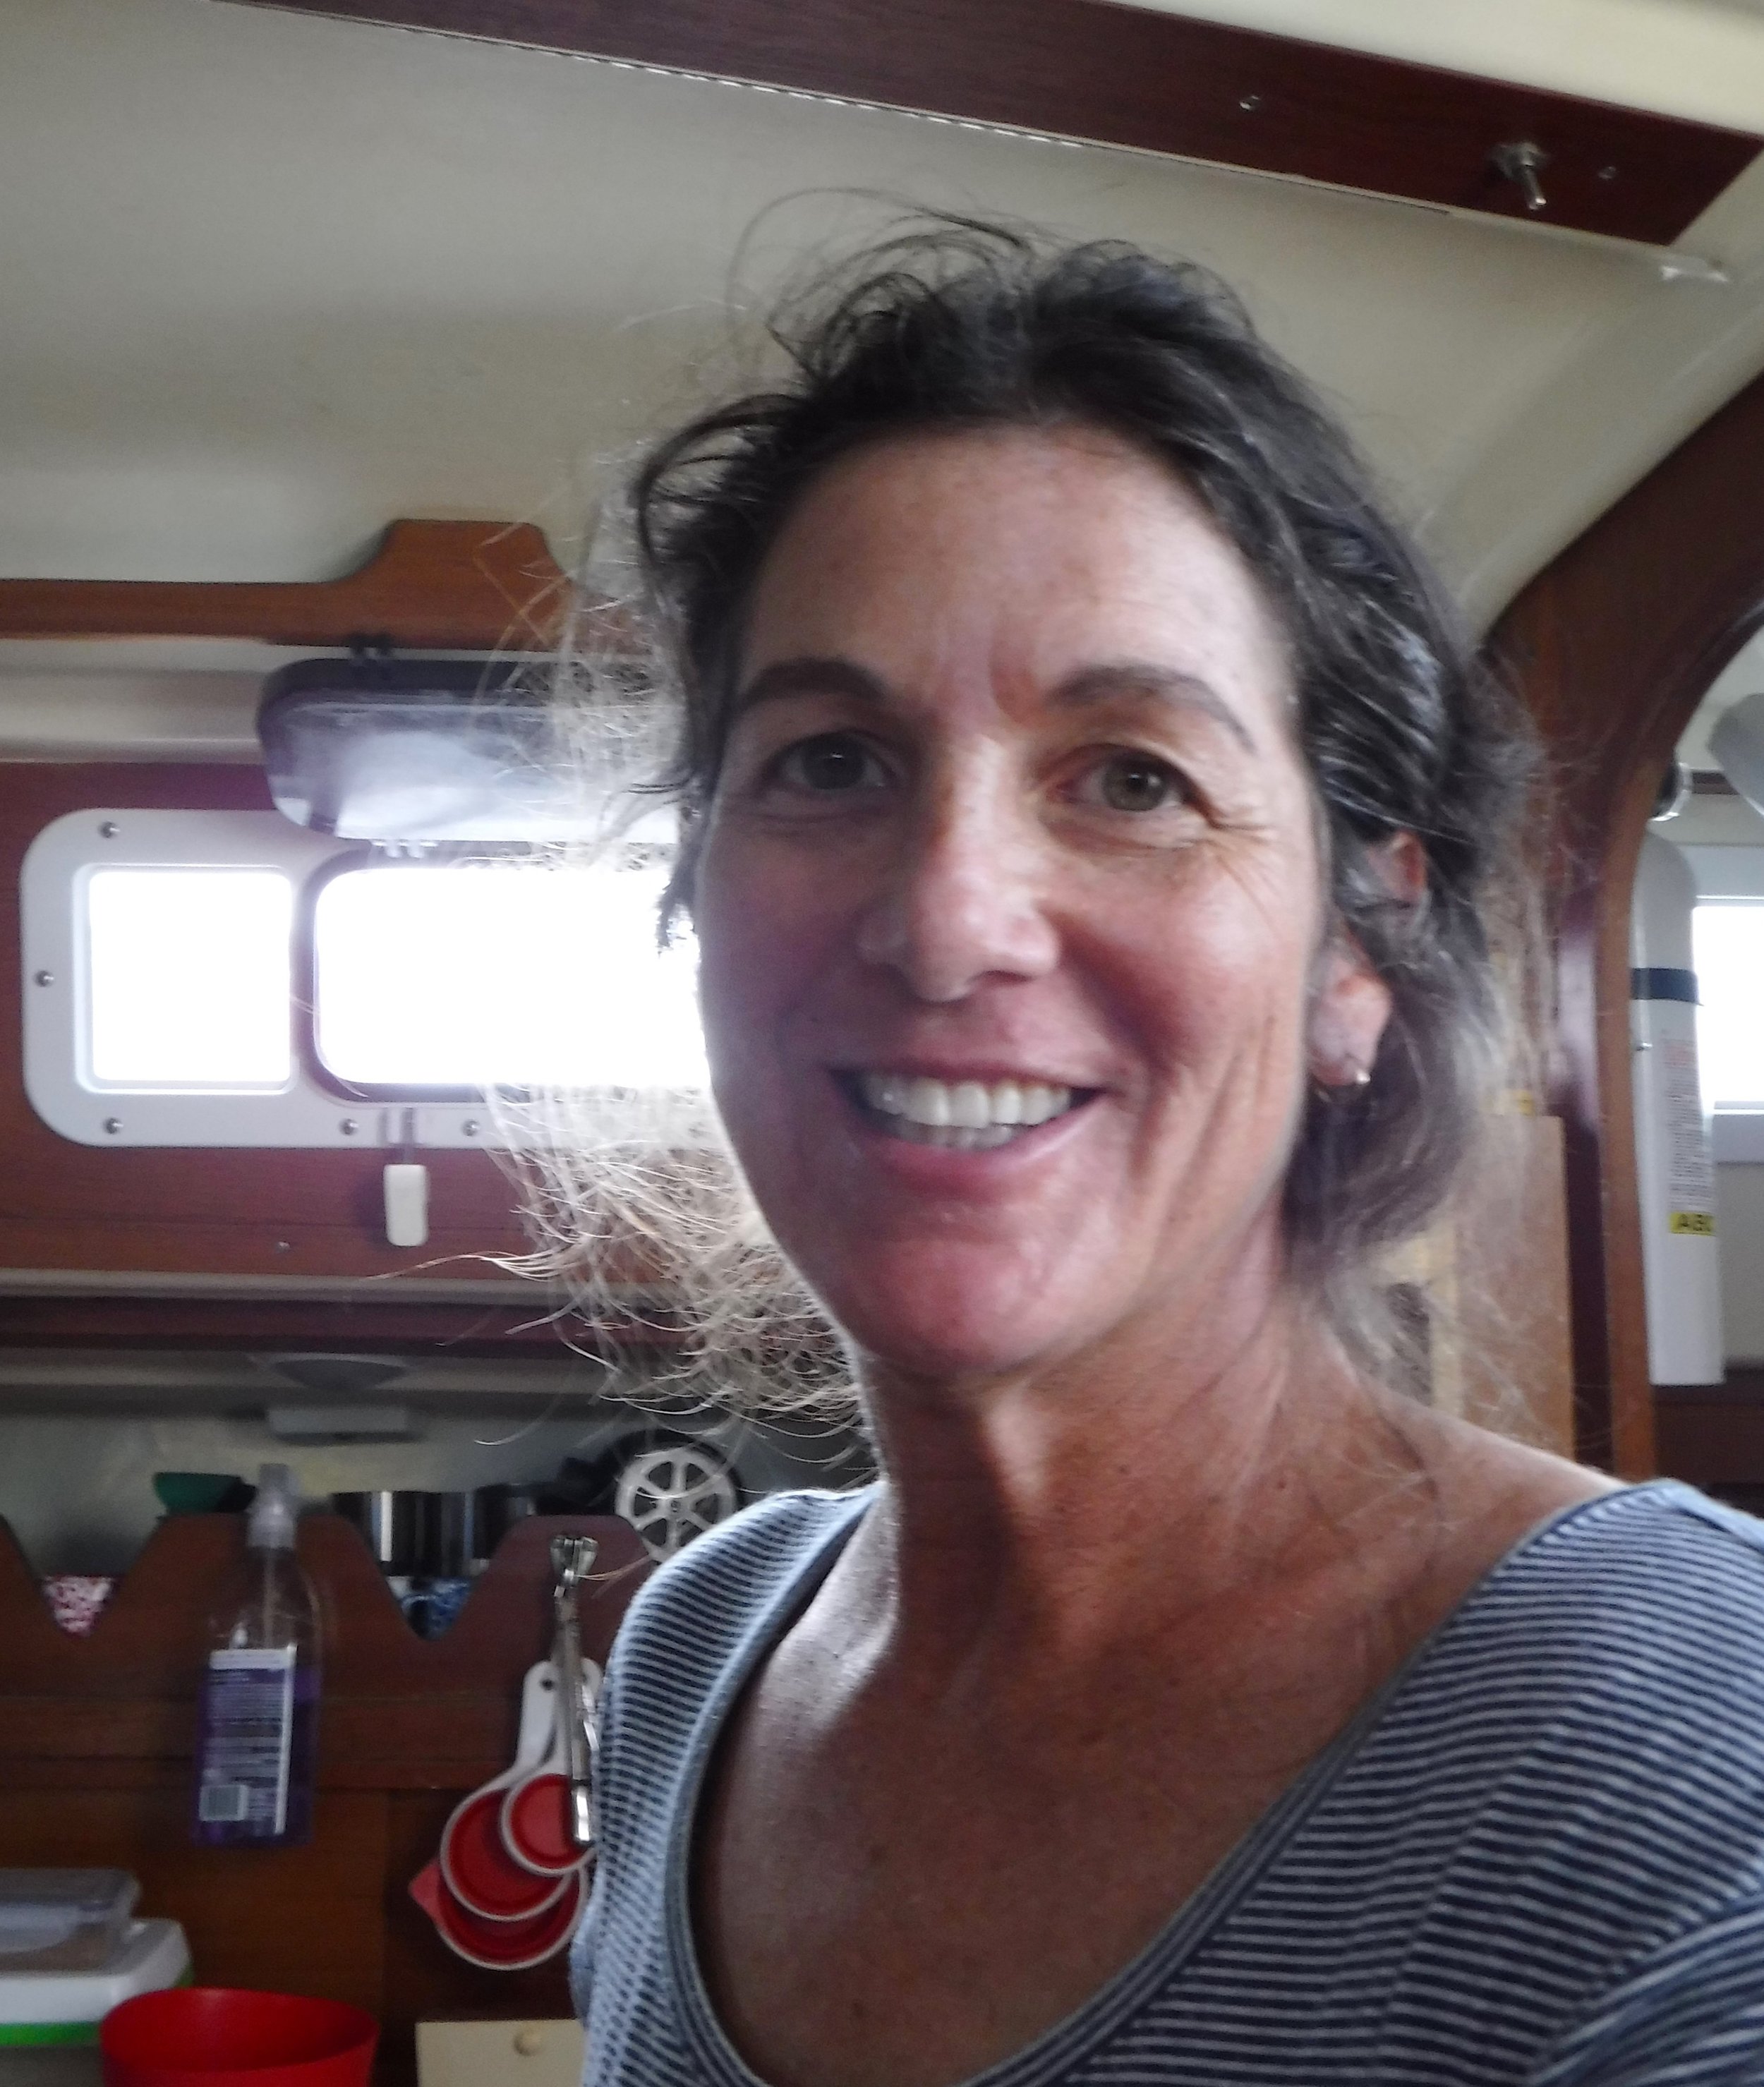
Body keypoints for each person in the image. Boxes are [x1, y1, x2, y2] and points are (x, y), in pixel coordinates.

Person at [568, 224, 1764, 2086]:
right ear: (693, 902)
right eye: (828, 760)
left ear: (1355, 953)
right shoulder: (690, 1652)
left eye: (1134, 779)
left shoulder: (1695, 1754)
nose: (948, 922)